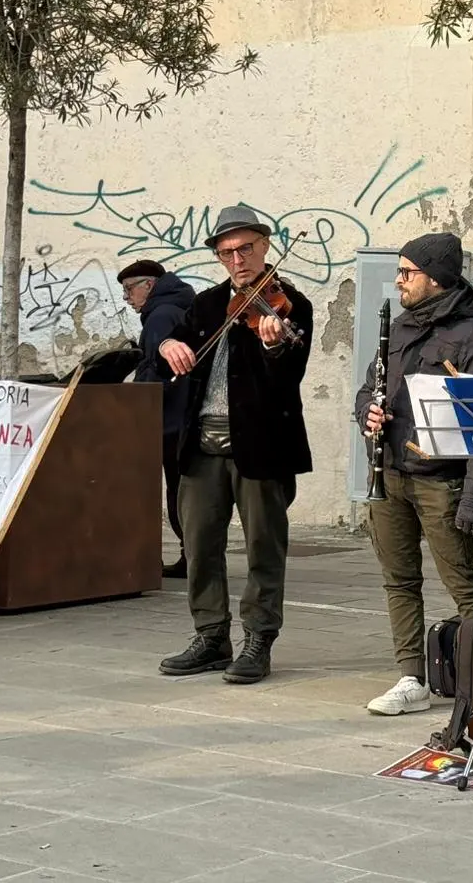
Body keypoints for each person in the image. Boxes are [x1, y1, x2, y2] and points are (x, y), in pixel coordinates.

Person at [156, 205, 312, 685]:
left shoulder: (290, 304)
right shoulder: (205, 305)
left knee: (264, 546)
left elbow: (289, 375)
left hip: (260, 445)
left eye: (246, 248)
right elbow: (173, 343)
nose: (238, 260)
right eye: (227, 252)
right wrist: (167, 346)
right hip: (202, 446)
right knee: (200, 543)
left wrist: (271, 344)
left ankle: (259, 639)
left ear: (265, 246)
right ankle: (211, 637)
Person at [354, 232, 473, 716]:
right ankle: (411, 677)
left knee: (461, 580)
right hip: (391, 472)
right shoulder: (399, 327)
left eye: (407, 272)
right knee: (399, 580)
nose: (399, 280)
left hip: (442, 480)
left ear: (435, 278)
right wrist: (368, 415)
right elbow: (366, 389)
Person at [120, 260, 197, 580]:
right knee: (184, 489)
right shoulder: (178, 307)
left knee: (177, 490)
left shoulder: (160, 316)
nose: (126, 297)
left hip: (168, 419)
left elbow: (157, 372)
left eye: (129, 289)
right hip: (182, 417)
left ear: (149, 285)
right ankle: (191, 555)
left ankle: (192, 555)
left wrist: (137, 401)